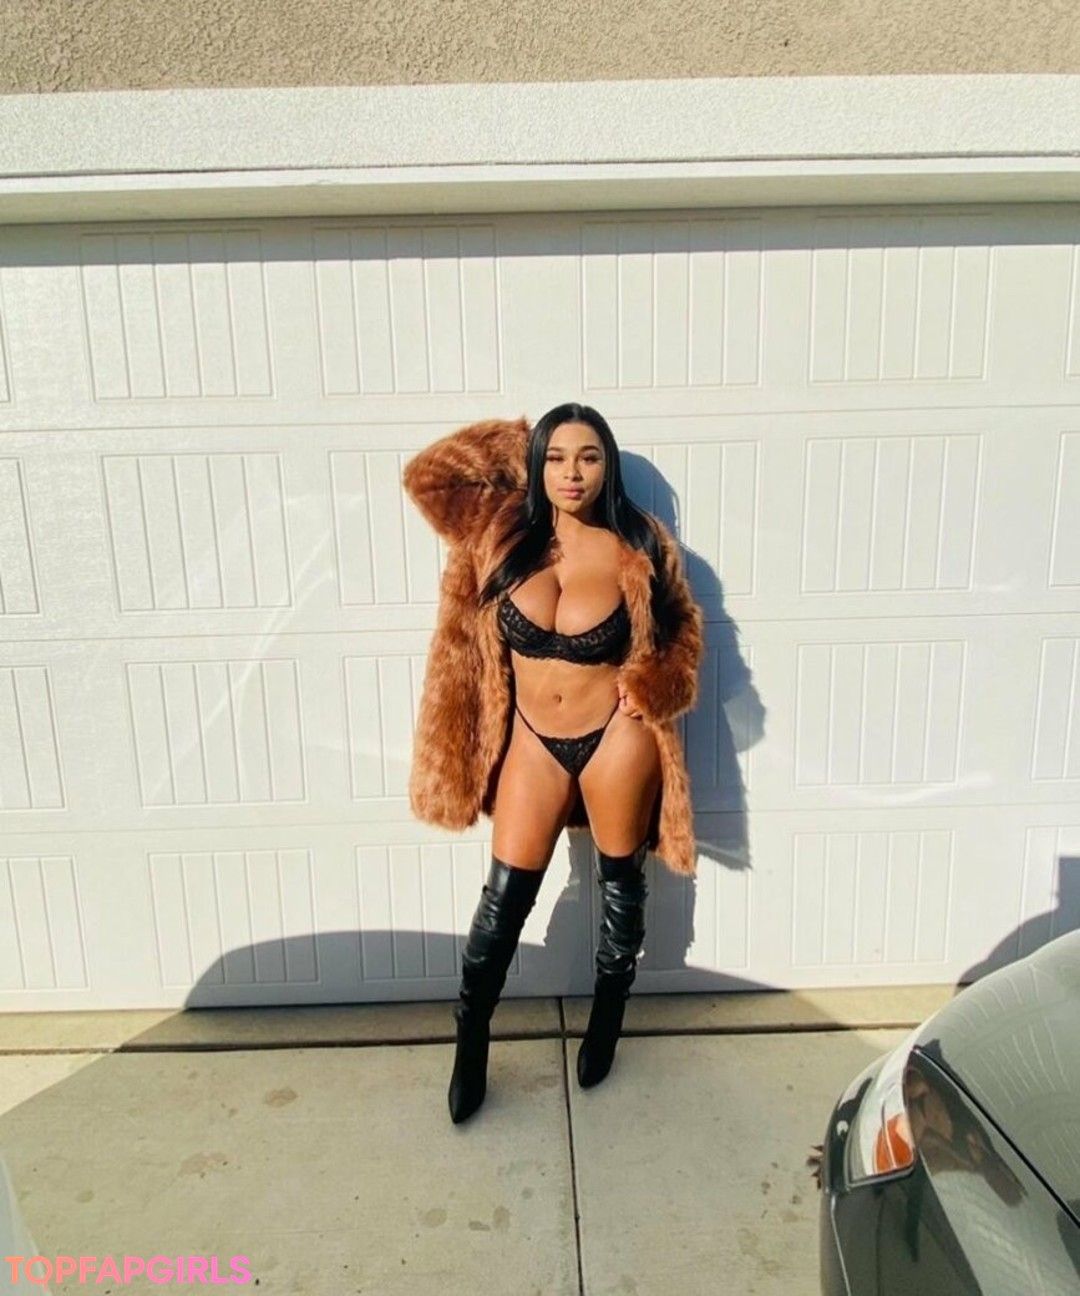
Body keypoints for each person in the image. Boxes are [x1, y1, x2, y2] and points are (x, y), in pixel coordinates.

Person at [402, 403, 704, 1123]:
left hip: (616, 736)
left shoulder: (640, 542)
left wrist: (655, 683)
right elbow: (426, 479)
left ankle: (607, 1018)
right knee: (503, 902)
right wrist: (520, 444)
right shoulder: (497, 532)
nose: (573, 473)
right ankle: (471, 1037)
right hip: (532, 738)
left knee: (620, 888)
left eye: (589, 457)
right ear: (537, 464)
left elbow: (683, 635)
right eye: (557, 457)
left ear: (609, 466)